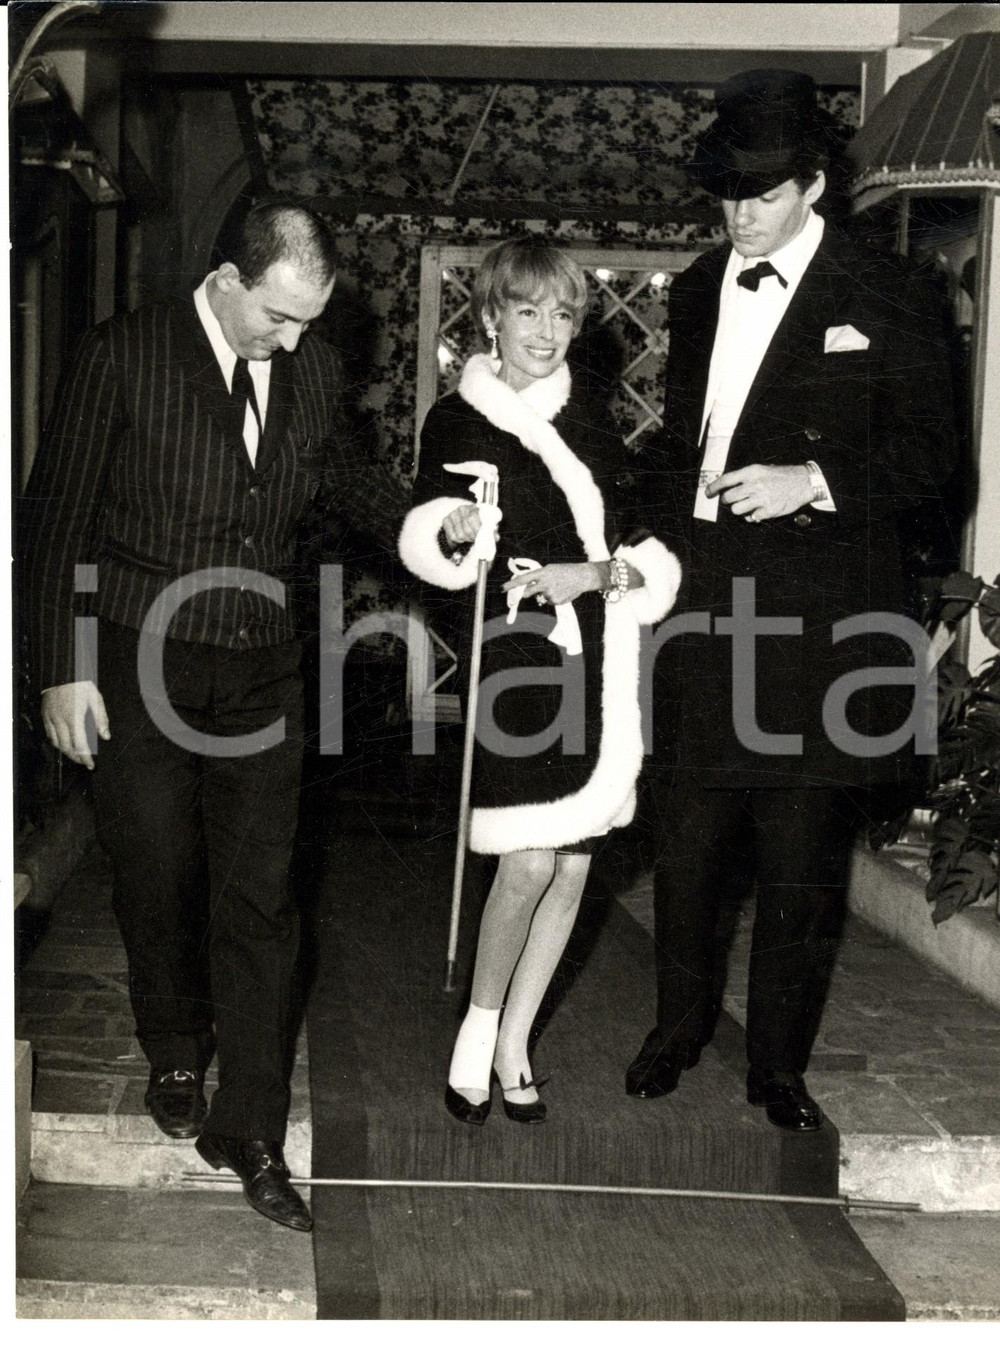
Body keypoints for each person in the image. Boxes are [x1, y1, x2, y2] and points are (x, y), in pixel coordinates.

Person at [22, 198, 401, 1230]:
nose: (294, 340)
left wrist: (420, 520)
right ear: (228, 282)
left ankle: (252, 1126)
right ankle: (176, 1047)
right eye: (278, 317)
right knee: (156, 868)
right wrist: (61, 666)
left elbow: (348, 477)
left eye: (308, 322)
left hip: (261, 666)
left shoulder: (312, 368)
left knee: (262, 898)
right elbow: (54, 516)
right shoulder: (123, 352)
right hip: (138, 656)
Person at [626, 70, 956, 1129]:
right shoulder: (691, 289)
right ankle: (678, 1026)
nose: (738, 214)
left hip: (821, 612)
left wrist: (812, 482)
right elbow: (683, 441)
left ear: (813, 185)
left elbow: (938, 462)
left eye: (760, 194)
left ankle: (775, 1065)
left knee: (800, 854)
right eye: (725, 193)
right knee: (688, 836)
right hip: (706, 598)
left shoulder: (888, 291)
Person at [399, 237, 681, 1124]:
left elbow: (640, 554)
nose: (547, 331)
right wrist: (451, 527)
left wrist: (591, 577)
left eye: (563, 313)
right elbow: (426, 539)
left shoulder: (591, 420)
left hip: (596, 653)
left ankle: (520, 1038)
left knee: (571, 864)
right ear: (491, 316)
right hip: (513, 652)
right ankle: (476, 1032)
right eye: (528, 311)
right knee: (524, 859)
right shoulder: (457, 420)